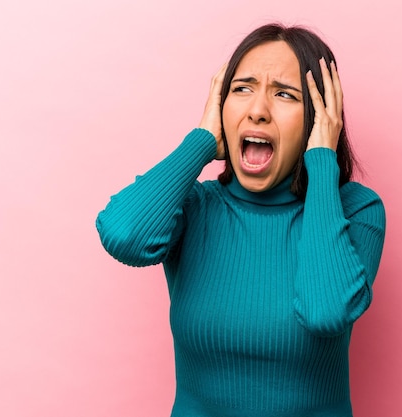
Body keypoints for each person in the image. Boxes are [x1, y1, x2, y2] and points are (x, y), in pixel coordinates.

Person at [96, 23, 386, 417]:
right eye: (242, 88)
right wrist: (201, 141)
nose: (257, 111)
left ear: (320, 118)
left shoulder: (356, 210)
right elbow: (124, 234)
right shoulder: (195, 207)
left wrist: (321, 161)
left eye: (284, 94)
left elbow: (326, 311)